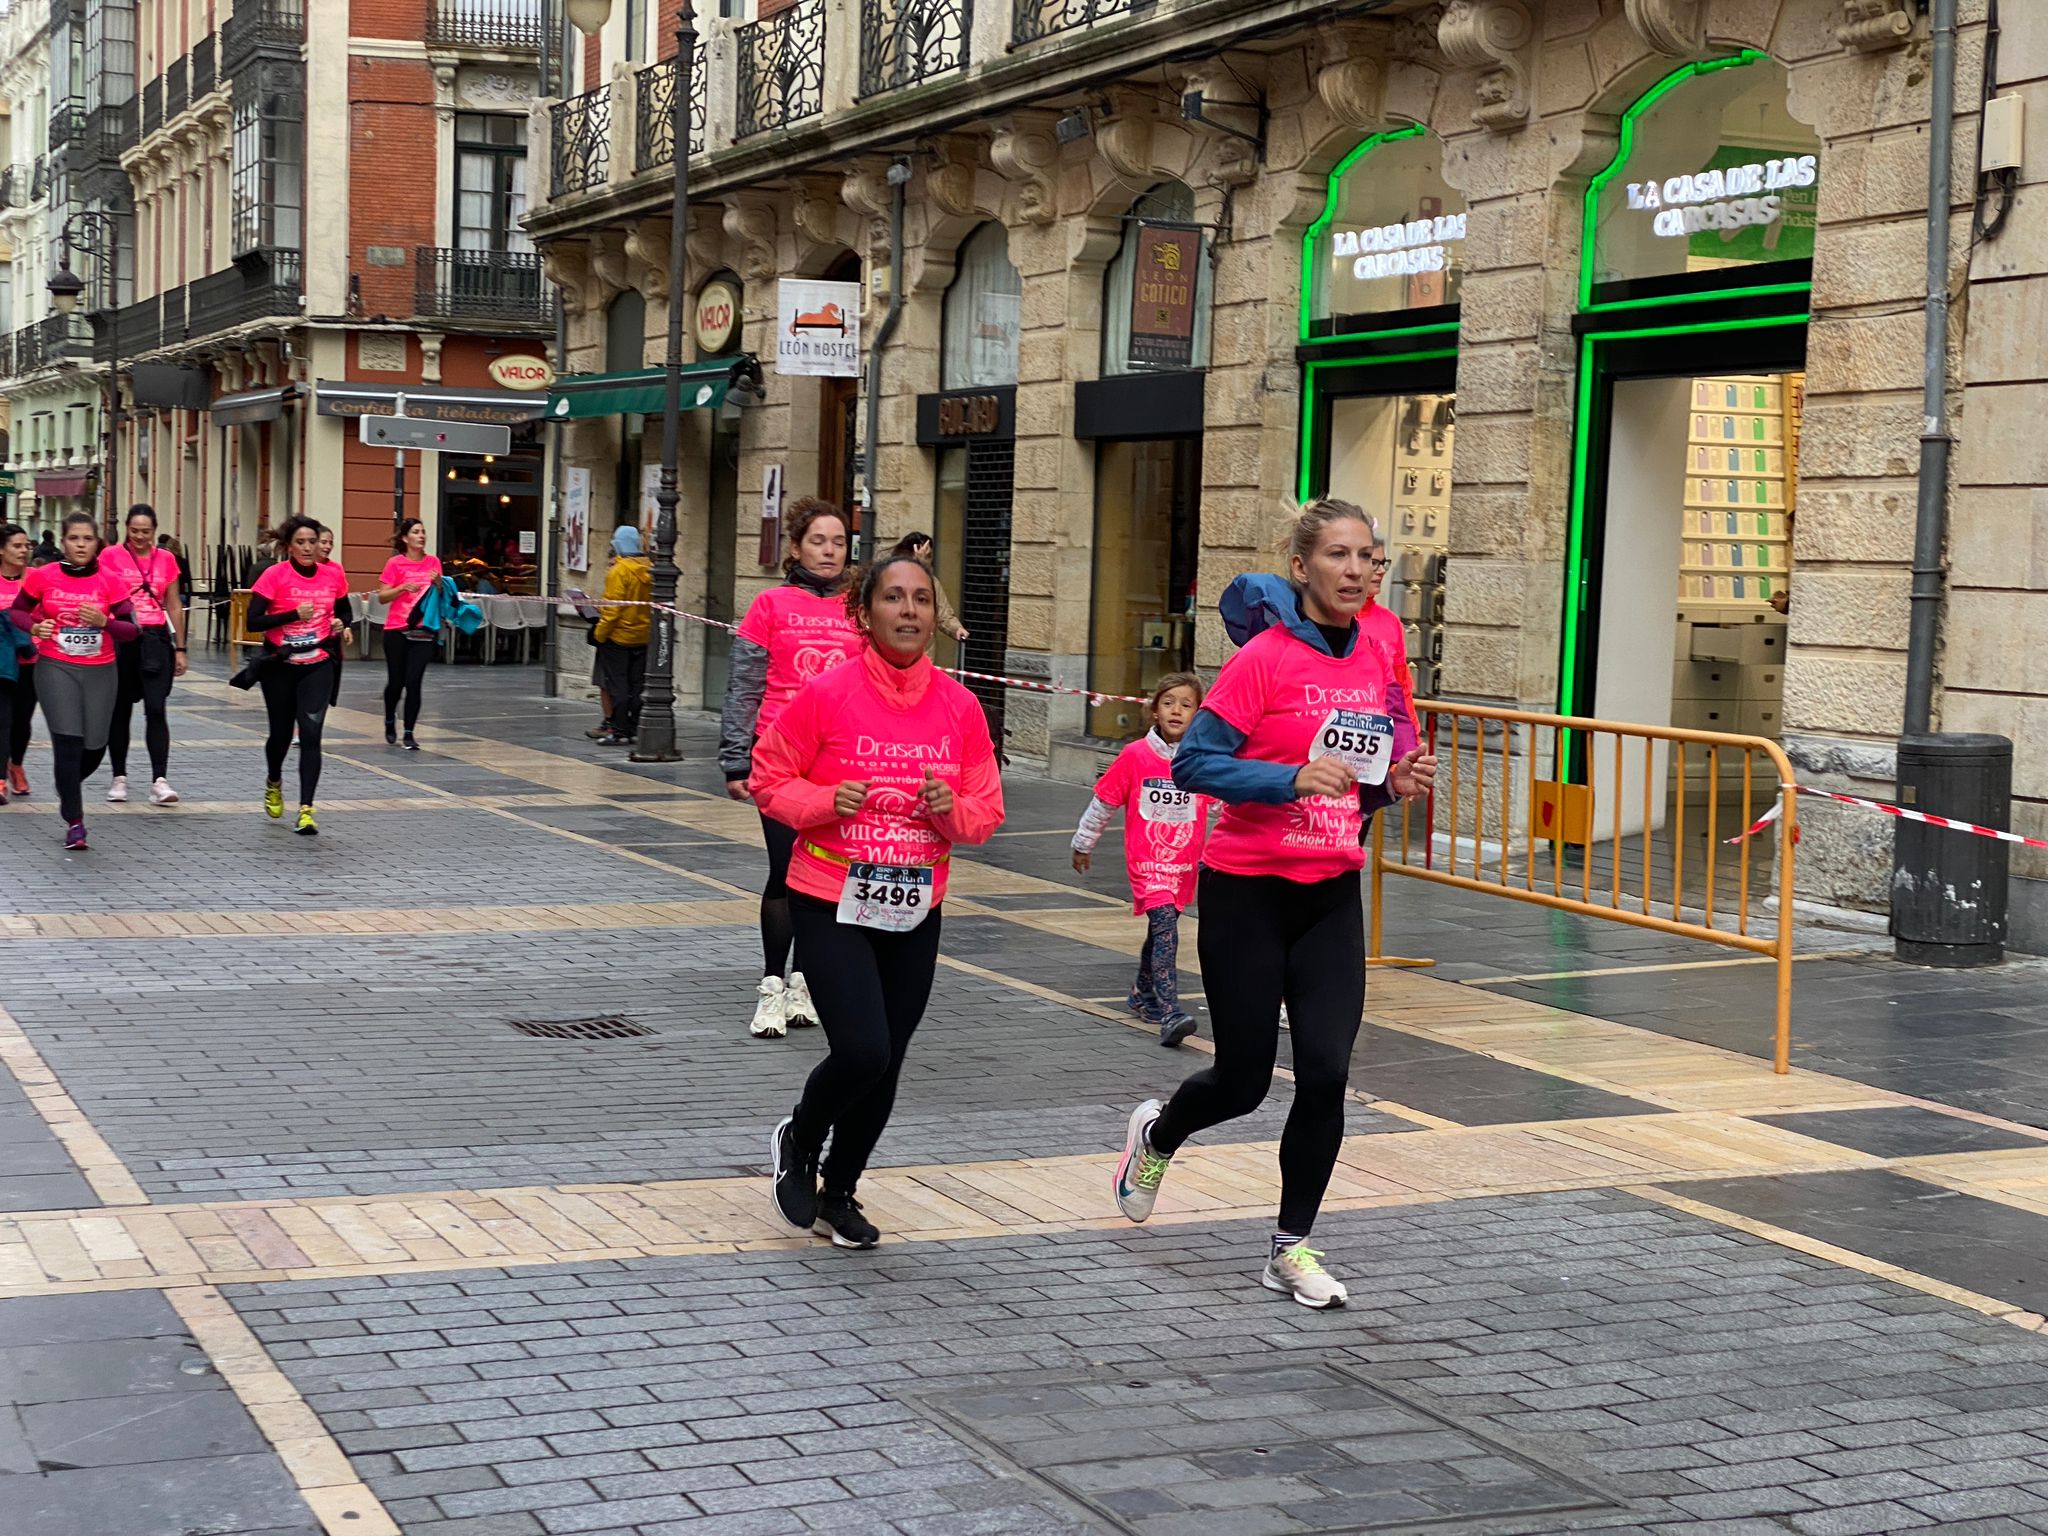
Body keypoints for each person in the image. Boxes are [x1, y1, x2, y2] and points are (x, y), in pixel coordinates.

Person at [1112, 499, 1437, 1309]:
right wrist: (1283, 778)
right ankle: (1158, 1133)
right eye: (1338, 555)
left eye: (1369, 556)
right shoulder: (1263, 659)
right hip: (1247, 891)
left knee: (1326, 1074)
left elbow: (1356, 780)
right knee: (1245, 1080)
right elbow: (1193, 765)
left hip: (1330, 892)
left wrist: (1392, 786)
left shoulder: (1380, 652)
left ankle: (1290, 1247)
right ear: (1302, 568)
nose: (1356, 570)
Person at [752, 553, 1005, 1249]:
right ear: (864, 614)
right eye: (893, 598)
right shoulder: (827, 695)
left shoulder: (960, 707)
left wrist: (952, 810)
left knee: (888, 1059)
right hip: (829, 895)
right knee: (862, 1050)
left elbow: (986, 811)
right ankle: (800, 1138)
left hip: (914, 903)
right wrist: (823, 800)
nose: (909, 611)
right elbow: (769, 777)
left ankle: (841, 1191)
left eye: (922, 599)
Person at [719, 498, 864, 1039]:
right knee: (785, 870)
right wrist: (736, 757)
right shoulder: (770, 605)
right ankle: (772, 985)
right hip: (781, 758)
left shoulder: (859, 607)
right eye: (818, 541)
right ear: (797, 547)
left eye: (839, 543)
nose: (829, 551)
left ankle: (807, 980)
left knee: (828, 874)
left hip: (843, 761)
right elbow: (744, 687)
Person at [1070, 673, 1211, 1047]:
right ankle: (1169, 1012)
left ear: (1198, 714)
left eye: (1186, 704)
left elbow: (1226, 801)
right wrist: (1083, 842)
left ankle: (1141, 994)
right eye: (1168, 703)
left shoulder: (1202, 760)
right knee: (1166, 927)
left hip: (1184, 864)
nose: (1176, 710)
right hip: (1148, 864)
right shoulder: (1135, 756)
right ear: (1154, 711)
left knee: (1160, 932)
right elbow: (1104, 801)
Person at [5, 511, 139, 849]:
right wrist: (35, 627)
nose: (80, 545)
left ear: (97, 543)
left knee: (94, 747)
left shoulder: (111, 580)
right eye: (74, 538)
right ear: (63, 542)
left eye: (87, 539)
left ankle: (67, 784)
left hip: (101, 670)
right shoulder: (43, 576)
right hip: (55, 667)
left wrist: (103, 621)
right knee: (67, 742)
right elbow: (19, 611)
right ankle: (75, 822)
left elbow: (131, 629)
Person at [245, 517, 352, 835]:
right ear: (289, 546)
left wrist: (341, 624)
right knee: (279, 735)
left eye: (313, 542)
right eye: (301, 542)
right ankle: (274, 780)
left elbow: (345, 610)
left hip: (318, 663)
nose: (308, 548)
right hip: (280, 664)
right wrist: (293, 614)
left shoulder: (332, 575)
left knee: (311, 733)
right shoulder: (274, 575)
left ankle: (306, 810)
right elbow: (253, 621)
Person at [102, 504, 188, 807]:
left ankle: (159, 780)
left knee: (156, 708)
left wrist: (180, 647)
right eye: (135, 531)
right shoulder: (110, 556)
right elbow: (101, 596)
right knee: (120, 709)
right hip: (123, 638)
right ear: (126, 528)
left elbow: (174, 604)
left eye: (146, 532)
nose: (140, 537)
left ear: (154, 531)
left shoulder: (166, 559)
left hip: (155, 638)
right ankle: (119, 777)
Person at [375, 517, 442, 750]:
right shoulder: (395, 564)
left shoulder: (433, 562)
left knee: (414, 682)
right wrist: (402, 587)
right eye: (416, 532)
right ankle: (390, 718)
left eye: (423, 532)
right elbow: (382, 597)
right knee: (396, 682)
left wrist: (439, 583)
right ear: (405, 538)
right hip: (396, 629)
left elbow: (440, 596)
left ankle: (410, 732)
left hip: (423, 630)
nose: (421, 536)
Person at [590, 525, 651, 746]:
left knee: (618, 686)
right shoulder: (649, 568)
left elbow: (612, 610)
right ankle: (635, 728)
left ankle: (619, 731)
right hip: (643, 636)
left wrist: (599, 634)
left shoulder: (619, 570)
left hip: (619, 637)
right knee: (637, 686)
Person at [0, 523, 37, 801]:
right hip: (1, 664)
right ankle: (0, 777)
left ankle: (16, 765)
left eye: (26, 546)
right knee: (3, 720)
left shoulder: (37, 579)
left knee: (22, 721)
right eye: (17, 545)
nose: (24, 551)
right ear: (2, 550)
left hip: (31, 660)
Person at [889, 531, 967, 643]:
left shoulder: (933, 582)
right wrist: (917, 565)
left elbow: (944, 614)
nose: (926, 560)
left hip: (923, 652)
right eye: (921, 555)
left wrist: (956, 629)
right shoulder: (889, 577)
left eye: (928, 555)